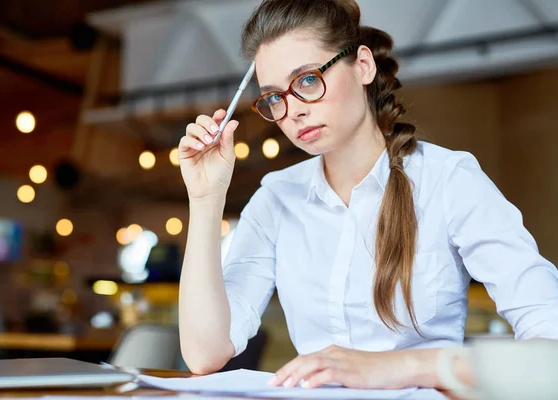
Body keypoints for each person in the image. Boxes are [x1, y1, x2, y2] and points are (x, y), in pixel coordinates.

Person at [177, 0, 558, 391]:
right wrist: (206, 199)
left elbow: (552, 345)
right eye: (275, 97)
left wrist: (397, 367)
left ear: (362, 65)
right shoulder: (276, 199)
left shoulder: (448, 181)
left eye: (307, 80)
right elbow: (205, 354)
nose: (292, 111)